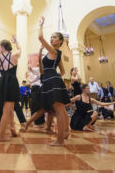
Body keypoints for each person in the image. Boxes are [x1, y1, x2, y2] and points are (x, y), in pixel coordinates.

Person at [37, 16, 70, 146]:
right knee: (61, 109)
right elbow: (62, 72)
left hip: (51, 80)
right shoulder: (57, 54)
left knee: (59, 109)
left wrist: (41, 24)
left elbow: (40, 37)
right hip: (54, 79)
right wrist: (53, 74)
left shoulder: (53, 51)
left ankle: (60, 140)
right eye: (51, 37)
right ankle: (65, 133)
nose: (51, 39)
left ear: (60, 41)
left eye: (55, 37)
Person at [0, 36, 22, 141]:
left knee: (10, 108)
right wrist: (16, 42)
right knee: (7, 110)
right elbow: (20, 50)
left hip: (2, 82)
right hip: (11, 82)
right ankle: (1, 135)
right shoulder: (14, 55)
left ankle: (12, 128)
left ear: (2, 46)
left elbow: (0, 67)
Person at [26, 62, 45, 126]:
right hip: (34, 88)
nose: (38, 64)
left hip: (39, 88)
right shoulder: (34, 70)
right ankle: (34, 120)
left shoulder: (40, 70)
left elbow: (38, 77)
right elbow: (32, 77)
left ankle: (39, 121)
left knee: (39, 105)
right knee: (34, 105)